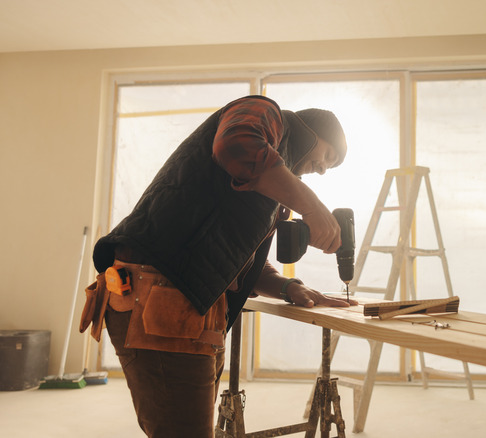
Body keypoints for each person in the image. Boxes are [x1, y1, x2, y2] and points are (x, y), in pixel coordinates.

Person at [79, 95, 355, 437]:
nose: (324, 169)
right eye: (328, 156)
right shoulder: (265, 113)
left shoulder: (272, 184)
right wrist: (312, 206)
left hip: (190, 310)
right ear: (312, 131)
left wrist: (289, 287)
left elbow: (236, 258)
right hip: (160, 299)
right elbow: (236, 143)